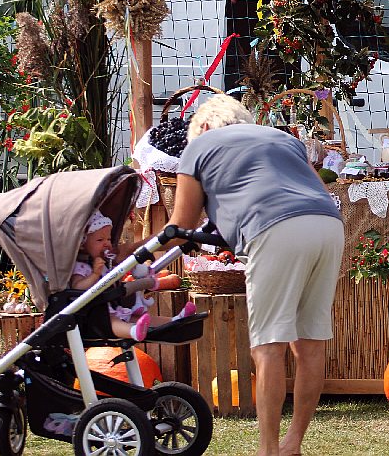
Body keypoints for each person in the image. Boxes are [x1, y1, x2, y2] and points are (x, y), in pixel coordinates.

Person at [168, 94, 343, 456]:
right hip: (327, 224)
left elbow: (181, 225)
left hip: (275, 229)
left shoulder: (200, 145)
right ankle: (292, 444)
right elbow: (311, 188)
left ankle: (267, 450)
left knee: (268, 347)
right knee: (310, 342)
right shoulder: (281, 138)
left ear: (202, 125)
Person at [70, 210, 196, 341]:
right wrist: (95, 274)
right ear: (83, 245)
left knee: (136, 318)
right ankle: (133, 331)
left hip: (112, 307)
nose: (106, 243)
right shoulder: (81, 266)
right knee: (113, 320)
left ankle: (174, 321)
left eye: (108, 239)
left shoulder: (103, 263)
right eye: (100, 240)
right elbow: (77, 287)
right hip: (94, 316)